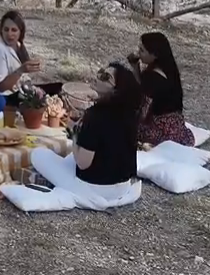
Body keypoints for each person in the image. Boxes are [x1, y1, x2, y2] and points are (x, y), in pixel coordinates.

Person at [29, 60, 142, 209]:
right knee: (69, 157)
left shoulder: (95, 115)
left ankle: (80, 194)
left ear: (117, 90)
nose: (98, 76)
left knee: (38, 154)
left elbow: (82, 163)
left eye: (105, 77)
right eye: (101, 72)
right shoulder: (131, 114)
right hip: (123, 185)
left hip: (92, 188)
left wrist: (75, 133)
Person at [132, 31, 195, 146]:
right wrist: (135, 67)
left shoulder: (153, 77)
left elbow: (142, 108)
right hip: (177, 128)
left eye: (142, 51)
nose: (138, 53)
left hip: (162, 131)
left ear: (154, 54)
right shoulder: (169, 70)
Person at [0, 10, 45, 95]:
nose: (9, 34)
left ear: (20, 32)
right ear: (1, 30)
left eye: (14, 30)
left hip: (14, 91)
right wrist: (20, 70)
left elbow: (24, 66)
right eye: (6, 30)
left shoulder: (17, 44)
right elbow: (1, 87)